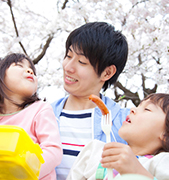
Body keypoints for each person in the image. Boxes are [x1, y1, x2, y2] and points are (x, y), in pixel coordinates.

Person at [51, 22, 130, 179]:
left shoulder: (125, 123)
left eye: (81, 62)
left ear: (107, 73)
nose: (68, 67)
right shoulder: (44, 115)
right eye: (68, 56)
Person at [67, 93, 169, 180]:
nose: (133, 109)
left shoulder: (163, 162)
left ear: (168, 135)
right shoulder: (96, 151)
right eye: (138, 106)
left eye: (147, 109)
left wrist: (137, 172)